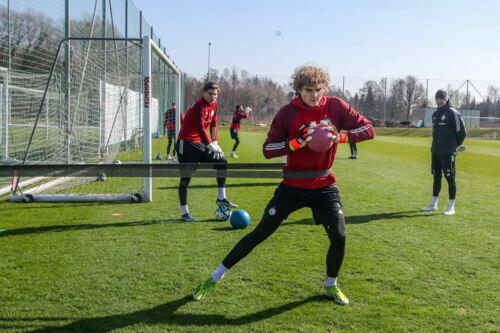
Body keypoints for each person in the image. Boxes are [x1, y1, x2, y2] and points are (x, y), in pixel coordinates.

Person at [192, 65, 375, 305]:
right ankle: (214, 278)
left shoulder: (336, 106)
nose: (315, 95)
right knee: (259, 234)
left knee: (339, 236)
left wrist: (341, 136)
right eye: (309, 90)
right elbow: (268, 150)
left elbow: (368, 129)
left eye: (319, 90)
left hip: (324, 185)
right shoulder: (287, 113)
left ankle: (330, 286)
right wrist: (296, 143)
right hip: (293, 186)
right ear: (298, 89)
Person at [175, 82, 237, 222]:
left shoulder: (214, 104)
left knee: (222, 162)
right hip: (186, 144)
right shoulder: (199, 106)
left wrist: (215, 141)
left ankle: (221, 198)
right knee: (186, 178)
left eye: (215, 94)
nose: (213, 96)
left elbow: (214, 123)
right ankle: (185, 213)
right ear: (203, 93)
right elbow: (201, 128)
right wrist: (210, 145)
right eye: (210, 93)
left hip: (200, 144)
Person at [421, 89, 466, 215]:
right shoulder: (435, 114)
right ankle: (433, 204)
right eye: (437, 98)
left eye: (441, 98)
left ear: (446, 99)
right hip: (435, 151)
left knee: (449, 177)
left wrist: (454, 146)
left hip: (447, 152)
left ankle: (451, 206)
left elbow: (462, 132)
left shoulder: (453, 113)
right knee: (436, 177)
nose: (439, 101)